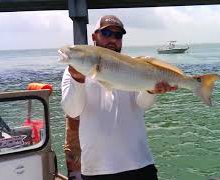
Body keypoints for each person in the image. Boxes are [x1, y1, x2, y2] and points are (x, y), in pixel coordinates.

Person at [61, 15, 177, 180]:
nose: (112, 39)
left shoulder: (132, 66)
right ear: (94, 37)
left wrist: (151, 91)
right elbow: (72, 110)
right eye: (106, 33)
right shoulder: (73, 71)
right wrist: (78, 80)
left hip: (140, 163)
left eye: (118, 35)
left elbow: (142, 104)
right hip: (97, 169)